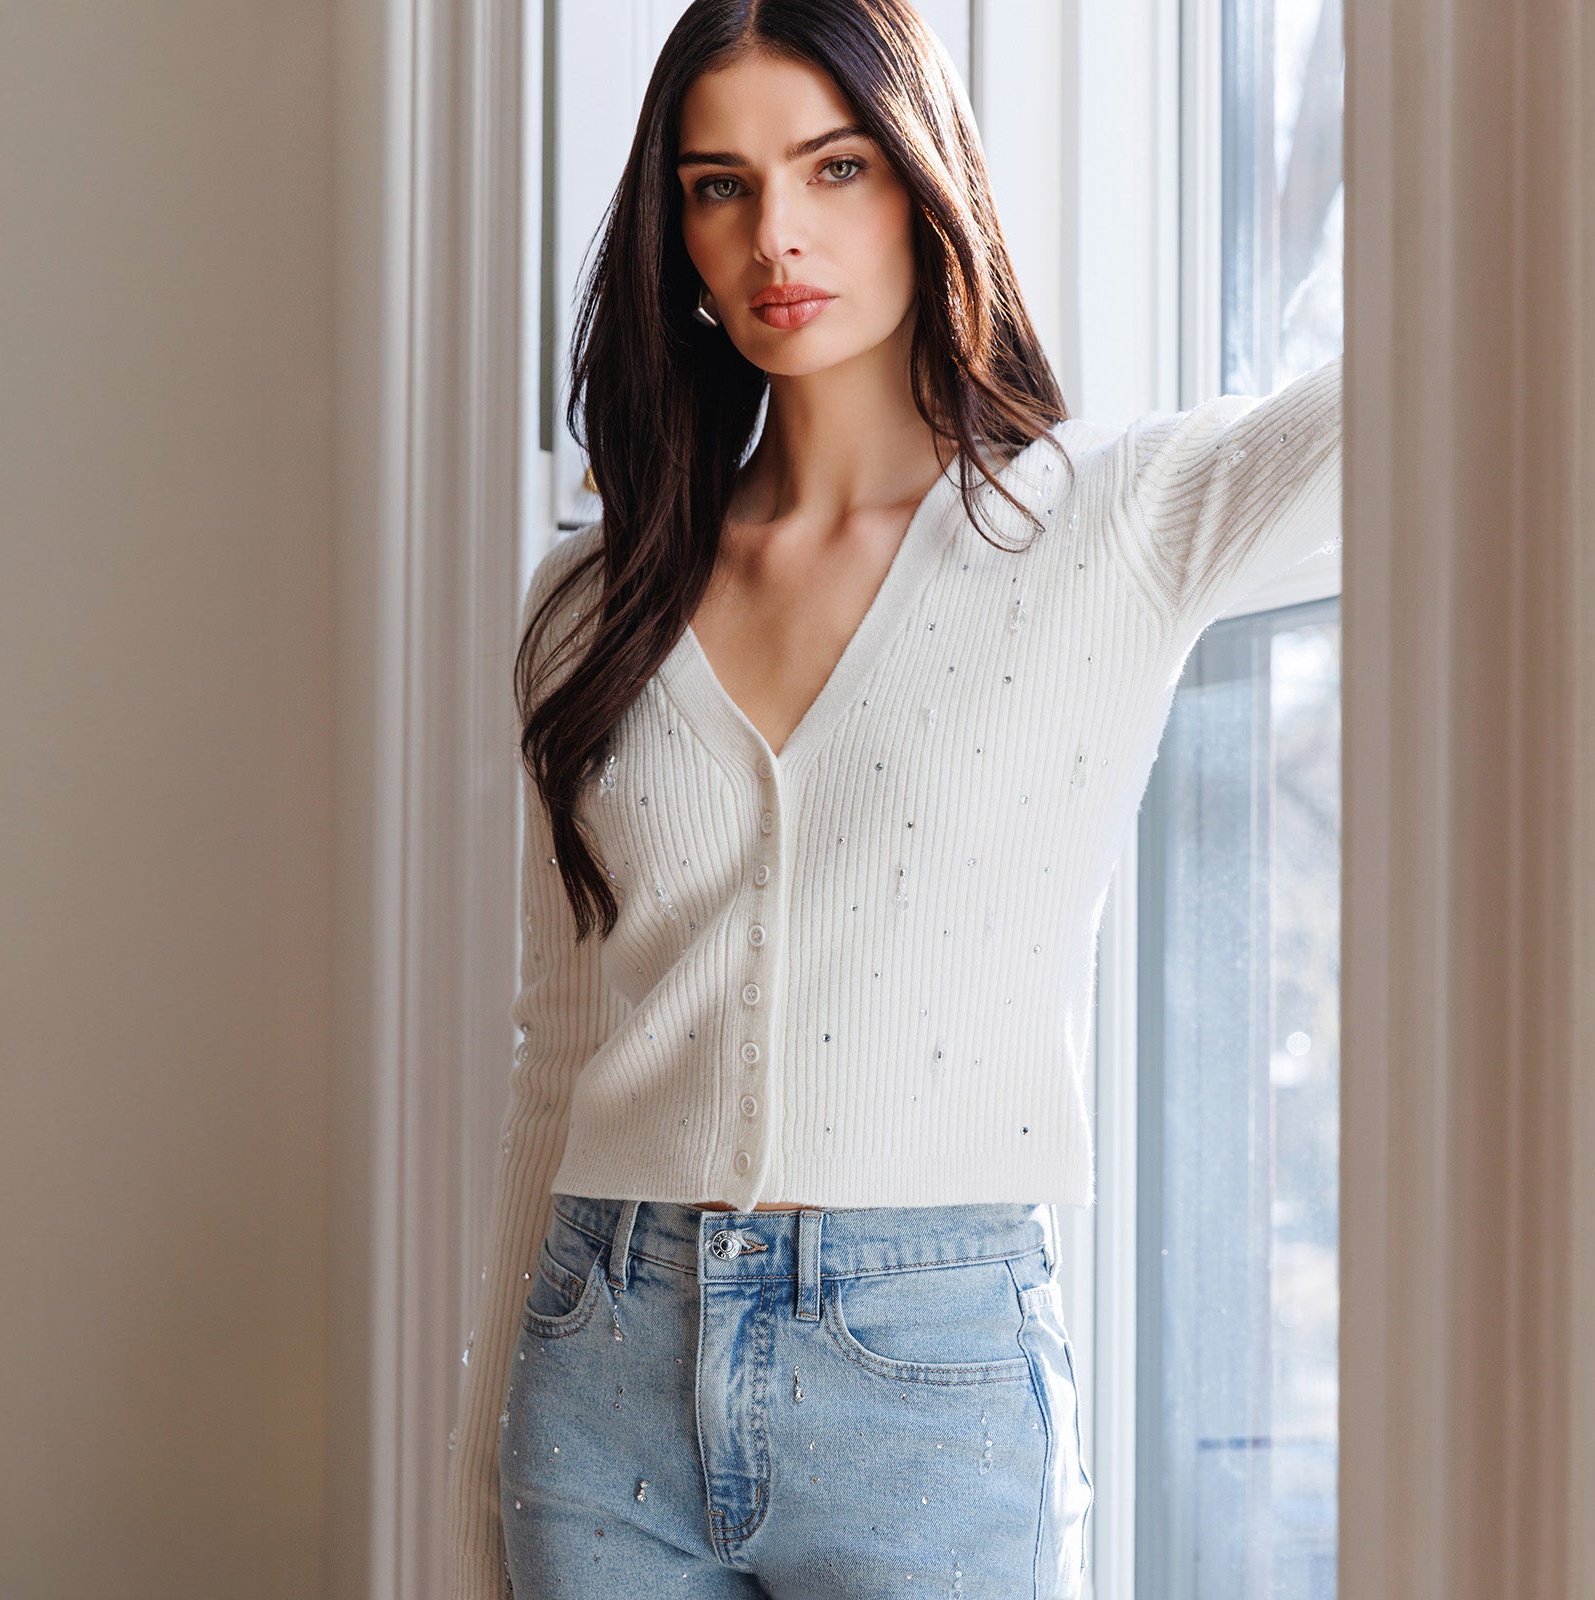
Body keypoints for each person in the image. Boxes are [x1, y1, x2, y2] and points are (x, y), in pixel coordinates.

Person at [446, 2, 1342, 1596]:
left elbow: (1461, 397)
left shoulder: (1110, 523)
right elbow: (560, 1040)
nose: (774, 234)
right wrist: (476, 1469)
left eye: (833, 165)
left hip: (934, 1372)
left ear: (926, 187)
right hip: (600, 1353)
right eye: (718, 186)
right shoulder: (588, 605)